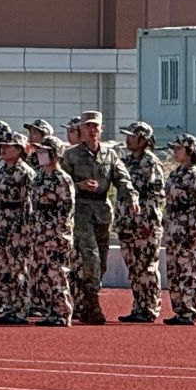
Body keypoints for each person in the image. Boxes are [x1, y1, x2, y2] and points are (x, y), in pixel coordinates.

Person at [60, 111, 137, 325]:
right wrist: (79, 186)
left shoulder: (109, 155)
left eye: (96, 126)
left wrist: (131, 197)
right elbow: (60, 183)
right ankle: (92, 304)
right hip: (81, 211)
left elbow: (123, 179)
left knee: (101, 261)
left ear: (101, 129)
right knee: (90, 255)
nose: (92, 130)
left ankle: (85, 300)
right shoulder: (71, 155)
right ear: (81, 129)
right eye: (88, 126)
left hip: (102, 211)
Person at [118, 120, 168, 323]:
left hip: (145, 225)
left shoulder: (151, 163)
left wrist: (146, 222)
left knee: (147, 267)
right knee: (133, 267)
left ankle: (150, 307)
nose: (128, 139)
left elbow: (157, 195)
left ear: (143, 140)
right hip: (126, 223)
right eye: (127, 136)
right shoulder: (126, 162)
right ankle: (139, 306)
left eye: (132, 136)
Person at [29, 140, 76, 326]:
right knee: (42, 274)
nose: (40, 154)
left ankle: (62, 313)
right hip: (39, 232)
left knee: (57, 274)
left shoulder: (62, 179)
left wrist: (58, 233)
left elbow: (66, 209)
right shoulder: (38, 177)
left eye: (45, 151)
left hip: (56, 234)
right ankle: (50, 311)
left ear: (55, 154)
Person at [163, 135, 196, 325]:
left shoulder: (194, 176)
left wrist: (189, 230)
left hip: (187, 232)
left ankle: (189, 311)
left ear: (189, 151)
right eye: (174, 148)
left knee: (188, 273)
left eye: (179, 148)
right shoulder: (175, 174)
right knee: (174, 273)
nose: (175, 152)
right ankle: (179, 310)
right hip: (173, 231)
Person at [0, 135, 35, 324]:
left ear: (19, 150)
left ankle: (21, 308)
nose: (4, 149)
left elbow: (29, 203)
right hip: (1, 223)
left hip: (17, 225)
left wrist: (26, 229)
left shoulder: (26, 173)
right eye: (3, 146)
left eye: (9, 147)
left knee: (18, 267)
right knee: (3, 268)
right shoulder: (0, 170)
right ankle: (9, 307)